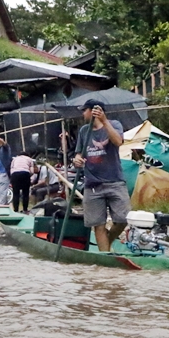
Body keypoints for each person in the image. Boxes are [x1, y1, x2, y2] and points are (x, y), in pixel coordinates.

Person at [73, 99, 129, 252]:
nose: (83, 113)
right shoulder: (84, 131)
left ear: (93, 111)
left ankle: (107, 244)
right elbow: (79, 154)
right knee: (98, 224)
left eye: (85, 110)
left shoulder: (114, 124)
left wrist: (104, 121)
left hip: (115, 181)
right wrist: (77, 160)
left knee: (123, 219)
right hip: (92, 185)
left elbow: (118, 141)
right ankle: (105, 257)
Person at [0, 134, 12, 206]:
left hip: (4, 173)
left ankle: (1, 205)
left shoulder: (6, 148)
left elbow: (4, 143)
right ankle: (4, 204)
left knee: (3, 191)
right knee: (0, 191)